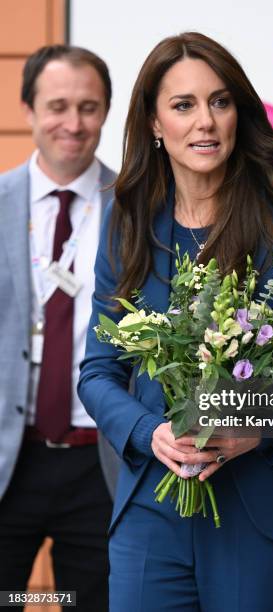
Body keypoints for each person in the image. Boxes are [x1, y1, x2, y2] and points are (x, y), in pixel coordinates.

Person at [78, 32, 273, 612]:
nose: (204, 122)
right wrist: (146, 433)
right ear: (155, 124)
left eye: (220, 101)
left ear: (239, 112)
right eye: (183, 105)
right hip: (150, 518)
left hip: (258, 511)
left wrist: (254, 430)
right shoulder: (124, 223)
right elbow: (98, 372)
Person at [0, 45, 119, 611]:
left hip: (101, 466)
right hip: (8, 461)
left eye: (89, 107)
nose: (73, 124)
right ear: (28, 108)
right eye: (58, 106)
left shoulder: (140, 208)